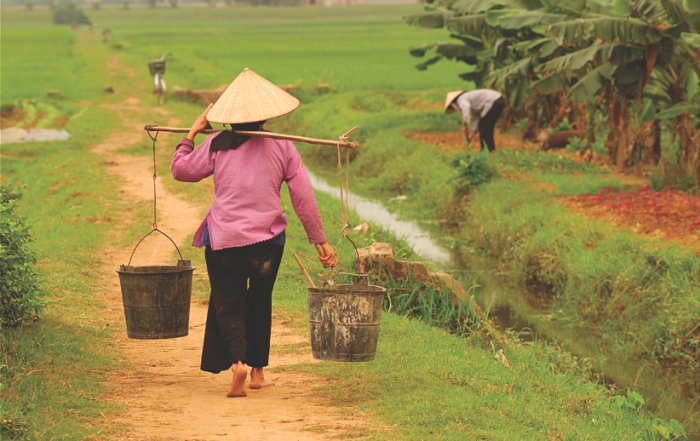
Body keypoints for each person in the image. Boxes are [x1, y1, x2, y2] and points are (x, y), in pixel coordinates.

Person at [171, 68, 338, 398]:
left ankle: (238, 365)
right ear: (264, 116)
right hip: (268, 243)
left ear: (228, 117)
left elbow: (181, 171)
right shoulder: (283, 146)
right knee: (260, 301)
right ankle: (259, 373)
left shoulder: (217, 143)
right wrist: (320, 241)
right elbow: (302, 195)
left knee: (228, 302)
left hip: (225, 242)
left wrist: (191, 134)